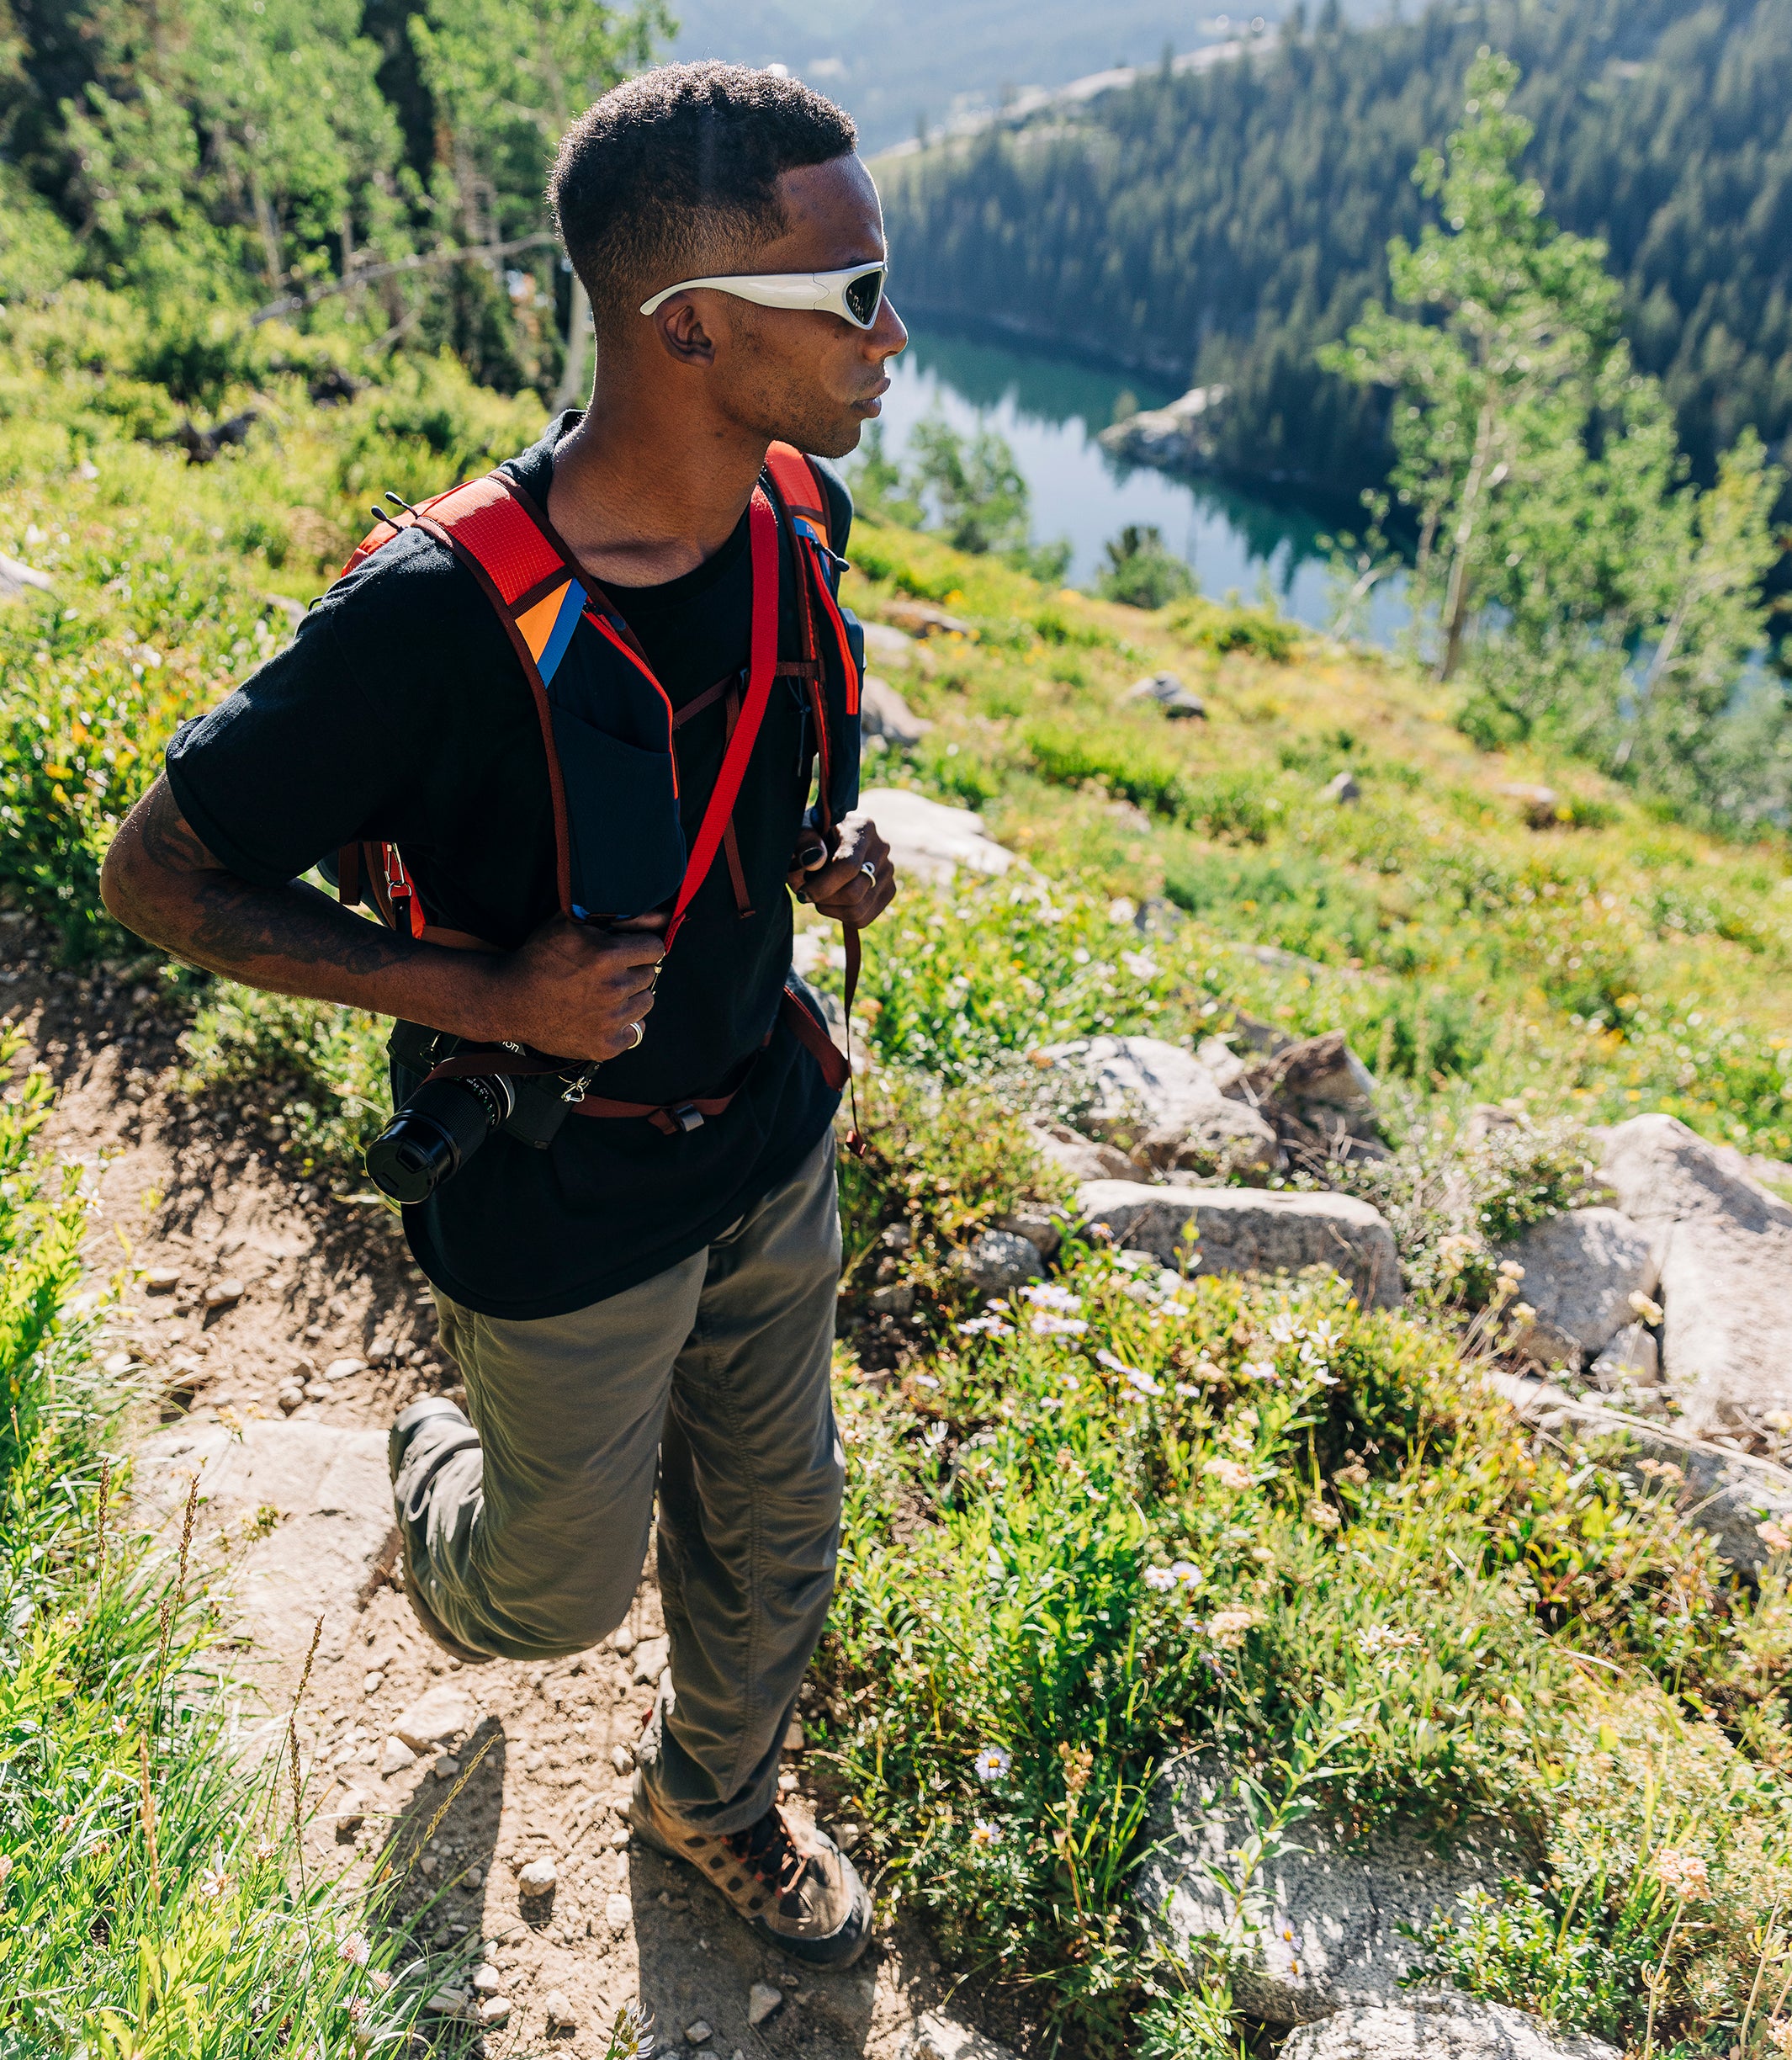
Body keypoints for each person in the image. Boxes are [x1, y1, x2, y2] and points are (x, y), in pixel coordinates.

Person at [100, 61, 909, 1967]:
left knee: (780, 1526)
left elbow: (751, 754)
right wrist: (486, 993)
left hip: (767, 1138)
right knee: (542, 1603)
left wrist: (824, 848)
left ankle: (710, 1802)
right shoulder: (432, 617)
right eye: (854, 295)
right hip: (555, 1201)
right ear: (691, 327)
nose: (894, 336)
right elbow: (157, 879)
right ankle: (432, 1467)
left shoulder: (795, 511)